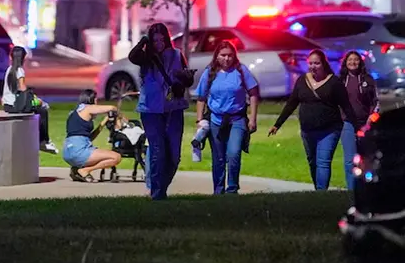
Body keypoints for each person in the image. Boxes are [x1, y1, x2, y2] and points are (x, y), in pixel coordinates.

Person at [269, 49, 354, 191]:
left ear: (323, 64)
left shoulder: (334, 82)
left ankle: (321, 194)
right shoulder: (302, 80)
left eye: (317, 63)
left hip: (329, 130)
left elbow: (346, 105)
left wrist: (356, 127)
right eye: (311, 63)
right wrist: (278, 124)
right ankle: (318, 191)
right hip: (307, 130)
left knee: (323, 162)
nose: (313, 66)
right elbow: (292, 103)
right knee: (313, 162)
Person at [128, 22, 193, 200]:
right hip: (150, 109)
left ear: (167, 39)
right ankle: (158, 194)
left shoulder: (177, 54)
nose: (158, 43)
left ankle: (160, 188)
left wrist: (185, 80)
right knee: (157, 150)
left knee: (174, 155)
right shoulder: (146, 57)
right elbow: (132, 56)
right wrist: (144, 40)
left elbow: (186, 79)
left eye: (161, 39)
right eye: (155, 40)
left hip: (174, 107)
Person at [195, 40, 259, 194]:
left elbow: (253, 93)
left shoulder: (241, 71)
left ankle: (232, 189)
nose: (227, 59)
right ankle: (218, 190)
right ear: (216, 56)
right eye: (223, 55)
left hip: (236, 119)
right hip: (216, 119)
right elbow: (201, 97)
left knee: (234, 153)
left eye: (230, 55)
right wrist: (199, 120)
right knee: (218, 158)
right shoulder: (209, 73)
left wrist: (253, 118)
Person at [1, 46, 58, 154]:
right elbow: (23, 88)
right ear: (24, 58)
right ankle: (44, 141)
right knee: (43, 110)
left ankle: (41, 140)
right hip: (16, 106)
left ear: (11, 56)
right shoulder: (19, 70)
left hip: (8, 104)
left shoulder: (9, 69)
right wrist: (36, 99)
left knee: (38, 109)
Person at [338, 50, 379, 192]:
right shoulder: (341, 80)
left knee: (366, 158)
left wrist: (370, 118)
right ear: (345, 62)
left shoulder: (368, 80)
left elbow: (375, 102)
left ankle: (366, 189)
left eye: (356, 60)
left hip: (365, 124)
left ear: (360, 62)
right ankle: (351, 191)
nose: (353, 62)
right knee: (350, 159)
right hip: (347, 123)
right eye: (350, 60)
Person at [62, 89, 122, 182]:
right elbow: (112, 107)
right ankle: (85, 170)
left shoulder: (75, 112)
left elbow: (89, 138)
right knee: (116, 157)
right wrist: (118, 114)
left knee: (95, 152)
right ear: (91, 99)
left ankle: (75, 169)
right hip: (79, 152)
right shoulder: (87, 108)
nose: (97, 102)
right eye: (96, 99)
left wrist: (104, 122)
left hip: (67, 152)